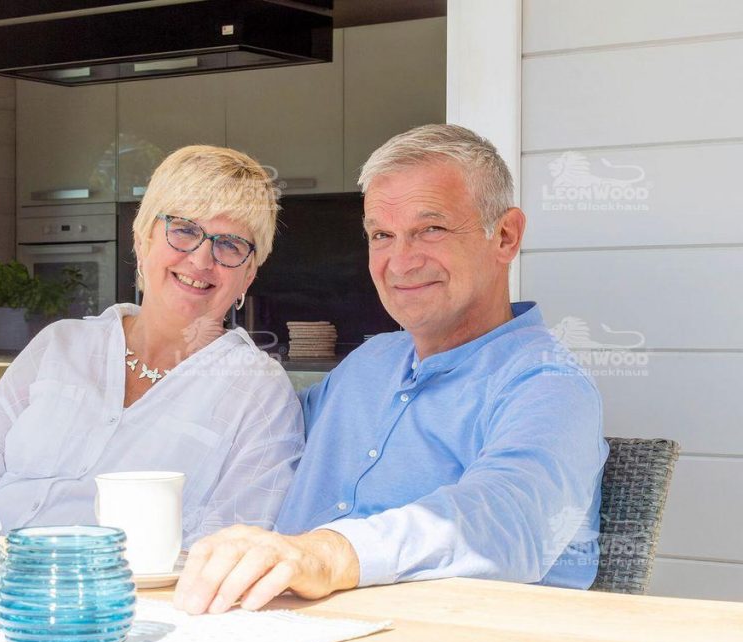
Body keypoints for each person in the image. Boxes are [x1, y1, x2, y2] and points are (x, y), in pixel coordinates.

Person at [173, 124, 608, 615]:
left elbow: (507, 520)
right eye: (382, 235)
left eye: (431, 229)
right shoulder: (368, 364)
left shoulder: (548, 385)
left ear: (504, 236)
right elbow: (253, 437)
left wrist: (327, 553)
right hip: (272, 636)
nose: (400, 261)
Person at [0, 145, 304, 546]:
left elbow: (231, 546)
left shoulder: (258, 392)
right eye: (184, 230)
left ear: (249, 275)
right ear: (142, 240)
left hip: (127, 601)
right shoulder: (59, 345)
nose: (201, 260)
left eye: (229, 245)